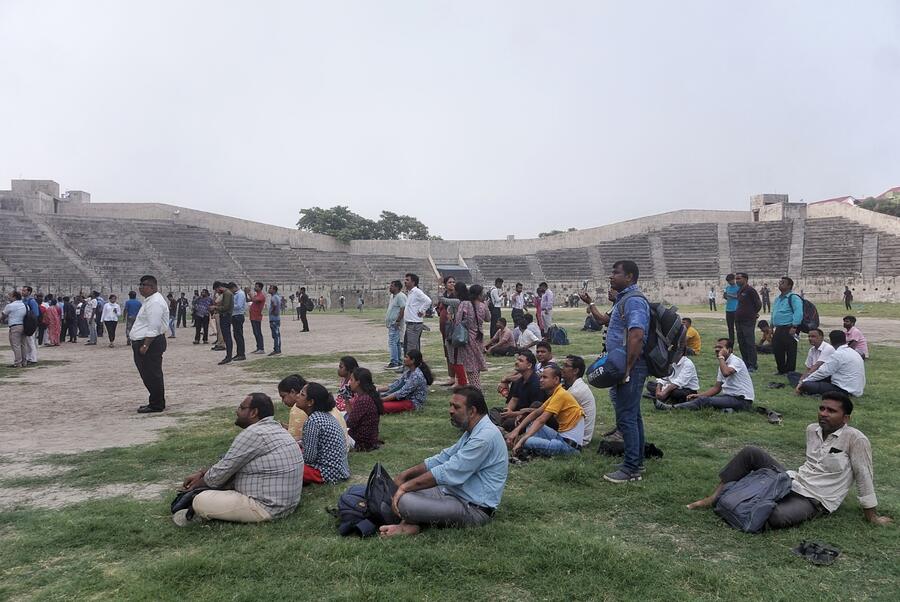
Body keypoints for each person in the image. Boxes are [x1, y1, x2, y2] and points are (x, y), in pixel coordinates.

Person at [686, 392, 891, 529]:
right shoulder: (812, 429)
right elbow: (810, 465)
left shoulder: (856, 439)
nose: (823, 414)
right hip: (793, 480)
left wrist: (872, 516)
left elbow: (864, 476)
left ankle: (743, 498)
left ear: (846, 418)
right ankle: (713, 498)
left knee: (773, 517)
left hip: (816, 499)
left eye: (831, 411)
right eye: (822, 408)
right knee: (751, 452)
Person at [380, 386, 508, 537]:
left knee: (405, 501)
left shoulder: (484, 437)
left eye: (456, 407)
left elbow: (448, 471)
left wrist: (405, 488)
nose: (451, 410)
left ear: (472, 411)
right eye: (450, 405)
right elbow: (443, 458)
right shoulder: (475, 430)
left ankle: (410, 521)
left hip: (473, 508)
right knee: (402, 489)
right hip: (452, 493)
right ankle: (410, 523)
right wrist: (405, 476)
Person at [174, 393, 303, 526]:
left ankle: (198, 514)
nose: (237, 411)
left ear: (253, 412)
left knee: (200, 500)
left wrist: (194, 486)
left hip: (267, 507)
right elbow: (228, 464)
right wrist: (202, 473)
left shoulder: (253, 433)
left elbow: (217, 477)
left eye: (241, 408)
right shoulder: (278, 429)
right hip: (288, 504)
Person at [580, 260, 649, 483]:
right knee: (633, 414)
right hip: (624, 364)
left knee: (626, 417)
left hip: (631, 366)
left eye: (616, 273)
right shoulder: (623, 301)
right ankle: (636, 461)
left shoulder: (634, 301)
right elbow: (604, 321)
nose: (611, 277)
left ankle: (631, 469)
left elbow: (637, 335)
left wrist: (627, 369)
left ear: (629, 277)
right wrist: (590, 304)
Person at [505, 365, 585, 457]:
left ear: (556, 380)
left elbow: (541, 420)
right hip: (561, 437)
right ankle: (529, 445)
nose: (541, 380)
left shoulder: (561, 395)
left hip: (570, 447)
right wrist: (516, 430)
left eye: (545, 377)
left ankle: (525, 444)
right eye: (541, 377)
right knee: (531, 424)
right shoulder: (557, 393)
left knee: (527, 441)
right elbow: (536, 413)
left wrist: (522, 440)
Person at [657, 338, 754, 412]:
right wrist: (699, 395)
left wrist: (721, 357)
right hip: (730, 397)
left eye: (720, 348)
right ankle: (727, 409)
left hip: (742, 400)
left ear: (729, 350)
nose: (717, 349)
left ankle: (671, 408)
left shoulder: (735, 361)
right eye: (716, 347)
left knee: (705, 401)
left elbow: (726, 373)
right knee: (704, 399)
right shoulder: (723, 363)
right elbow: (716, 388)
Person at [296, 383, 350, 484]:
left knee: (288, 465)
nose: (297, 396)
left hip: (327, 473)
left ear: (310, 402)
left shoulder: (313, 421)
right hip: (340, 470)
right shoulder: (325, 416)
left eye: (302, 394)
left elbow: (309, 458)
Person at [130, 275, 170, 414]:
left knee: (152, 374)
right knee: (148, 374)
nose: (140, 287)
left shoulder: (155, 302)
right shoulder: (149, 301)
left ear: (152, 287)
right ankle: (155, 401)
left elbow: (154, 326)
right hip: (146, 341)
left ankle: (156, 404)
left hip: (150, 343)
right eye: (140, 284)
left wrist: (145, 345)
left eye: (143, 285)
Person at [277, 373, 350, 443]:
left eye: (283, 396)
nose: (298, 396)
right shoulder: (322, 408)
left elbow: (293, 441)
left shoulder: (301, 411)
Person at [796, 330, 865, 397]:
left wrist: (803, 382)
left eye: (813, 336)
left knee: (807, 385)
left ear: (831, 341)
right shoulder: (853, 352)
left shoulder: (838, 354)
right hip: (856, 389)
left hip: (844, 390)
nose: (810, 339)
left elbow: (823, 372)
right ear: (845, 340)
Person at [495, 350, 547, 432]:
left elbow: (536, 411)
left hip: (528, 416)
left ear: (529, 365)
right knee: (494, 411)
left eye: (521, 361)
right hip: (515, 412)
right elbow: (514, 399)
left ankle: (499, 428)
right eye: (517, 360)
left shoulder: (536, 384)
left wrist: (513, 414)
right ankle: (499, 427)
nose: (517, 362)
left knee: (509, 423)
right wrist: (506, 412)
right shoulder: (519, 380)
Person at [451, 282, 487, 389]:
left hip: (467, 339)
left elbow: (457, 321)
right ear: (479, 295)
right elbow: (488, 318)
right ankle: (475, 387)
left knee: (471, 366)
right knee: (476, 363)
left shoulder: (464, 304)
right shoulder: (483, 306)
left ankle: (476, 389)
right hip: (479, 338)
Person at [561, 355, 596, 447]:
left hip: (579, 438)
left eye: (566, 366)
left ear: (575, 371)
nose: (562, 368)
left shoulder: (576, 391)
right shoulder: (576, 385)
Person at [770, 276, 803, 374]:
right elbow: (774, 313)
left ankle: (790, 371)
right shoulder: (778, 299)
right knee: (777, 349)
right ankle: (781, 370)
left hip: (789, 327)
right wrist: (771, 326)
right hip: (779, 328)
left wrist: (794, 326)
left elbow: (798, 312)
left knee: (790, 350)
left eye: (783, 282)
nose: (780, 284)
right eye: (780, 282)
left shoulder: (794, 298)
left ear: (789, 286)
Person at [346, 367, 383, 452]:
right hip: (368, 439)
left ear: (358, 382)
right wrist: (346, 400)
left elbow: (349, 423)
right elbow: (352, 416)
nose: (349, 383)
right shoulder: (368, 395)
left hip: (361, 443)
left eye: (351, 380)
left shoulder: (363, 400)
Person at [733, 272, 762, 372]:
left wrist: (753, 313)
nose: (737, 281)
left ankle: (753, 364)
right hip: (738, 320)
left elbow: (758, 304)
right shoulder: (739, 291)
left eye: (739, 278)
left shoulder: (750, 290)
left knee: (749, 342)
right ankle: (745, 363)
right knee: (742, 342)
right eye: (736, 279)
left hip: (748, 320)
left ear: (745, 279)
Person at [436, 275, 458, 386]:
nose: (452, 284)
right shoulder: (444, 295)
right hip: (444, 327)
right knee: (447, 353)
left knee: (455, 353)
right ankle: (451, 377)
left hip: (453, 327)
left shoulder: (456, 296)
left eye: (453, 282)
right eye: (450, 282)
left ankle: (458, 377)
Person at [403, 273, 431, 353]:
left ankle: (411, 364)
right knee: (411, 346)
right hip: (410, 323)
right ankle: (414, 364)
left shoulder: (417, 292)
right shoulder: (410, 292)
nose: (405, 282)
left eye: (407, 280)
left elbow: (428, 301)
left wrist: (421, 310)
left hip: (414, 324)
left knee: (411, 347)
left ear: (413, 282)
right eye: (405, 279)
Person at [2, 290, 28, 368]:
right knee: (23, 345)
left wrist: (2, 319)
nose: (9, 297)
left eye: (10, 296)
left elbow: (4, 314)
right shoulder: (24, 305)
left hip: (15, 326)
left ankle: (18, 362)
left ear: (14, 297)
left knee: (16, 345)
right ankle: (24, 362)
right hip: (24, 326)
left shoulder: (10, 305)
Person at [385, 280, 407, 369]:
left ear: (397, 287)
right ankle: (398, 361)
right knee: (396, 342)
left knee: (392, 342)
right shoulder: (393, 296)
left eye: (392, 286)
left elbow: (403, 308)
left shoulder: (400, 296)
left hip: (395, 323)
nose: (390, 287)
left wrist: (397, 320)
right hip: (392, 323)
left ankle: (394, 361)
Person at [213, 281, 234, 364]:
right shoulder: (225, 293)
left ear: (219, 287)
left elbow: (226, 307)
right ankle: (228, 355)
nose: (217, 292)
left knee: (227, 337)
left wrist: (215, 307)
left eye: (216, 290)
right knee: (226, 336)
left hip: (226, 316)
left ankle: (229, 356)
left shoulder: (227, 294)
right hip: (224, 316)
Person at [229, 282, 247, 361]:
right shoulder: (236, 294)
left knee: (239, 336)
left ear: (234, 287)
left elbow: (239, 306)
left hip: (238, 315)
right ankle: (239, 353)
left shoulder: (240, 294)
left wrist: (230, 306)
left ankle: (241, 354)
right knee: (236, 336)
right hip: (235, 316)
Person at [249, 282, 266, 354]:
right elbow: (249, 300)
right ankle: (258, 347)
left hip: (257, 317)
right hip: (253, 316)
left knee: (258, 332)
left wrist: (249, 293)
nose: (255, 288)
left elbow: (254, 300)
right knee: (255, 333)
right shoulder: (257, 295)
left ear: (260, 288)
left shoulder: (261, 295)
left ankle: (261, 348)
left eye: (256, 287)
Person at [723, 274, 739, 343]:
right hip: (728, 309)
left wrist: (729, 295)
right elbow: (726, 297)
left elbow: (738, 296)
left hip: (736, 309)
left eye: (730, 281)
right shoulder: (727, 288)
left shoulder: (738, 287)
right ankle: (731, 341)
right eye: (728, 281)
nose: (729, 282)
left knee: (738, 327)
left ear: (734, 279)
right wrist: (725, 296)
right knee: (730, 328)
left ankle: (740, 340)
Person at [267, 285, 282, 356]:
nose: (269, 289)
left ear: (274, 290)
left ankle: (277, 349)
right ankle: (277, 348)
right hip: (275, 318)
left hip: (274, 319)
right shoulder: (276, 297)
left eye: (270, 288)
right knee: (276, 334)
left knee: (276, 335)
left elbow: (275, 305)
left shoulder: (274, 297)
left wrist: (273, 312)